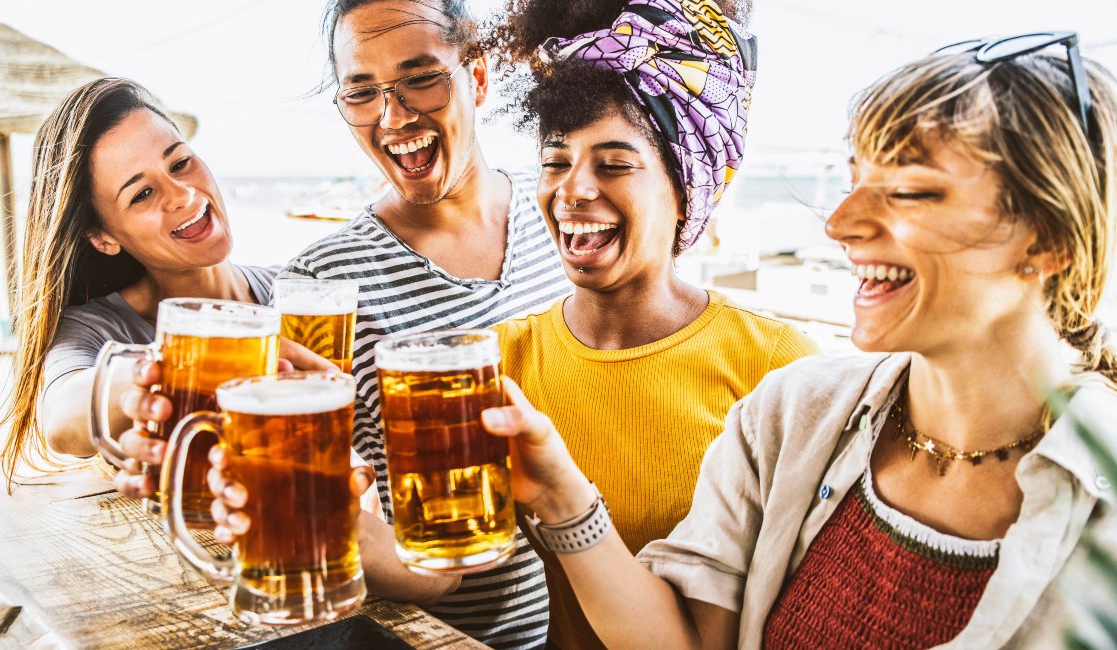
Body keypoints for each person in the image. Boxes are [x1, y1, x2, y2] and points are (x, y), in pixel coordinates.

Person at [478, 31, 1117, 648]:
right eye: (855, 179)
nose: (839, 224)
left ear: (1050, 241)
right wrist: (563, 496)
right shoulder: (788, 413)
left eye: (910, 191)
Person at [116, 2, 573, 647]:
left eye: (422, 78)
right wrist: (319, 520)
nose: (394, 118)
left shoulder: (564, 211)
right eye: (362, 93)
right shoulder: (323, 286)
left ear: (477, 75)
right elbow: (387, 552)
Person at [469, 1, 815, 647]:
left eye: (615, 164)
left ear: (687, 189)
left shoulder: (776, 365)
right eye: (554, 159)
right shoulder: (501, 360)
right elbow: (439, 567)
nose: (572, 189)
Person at [0, 78, 319, 486]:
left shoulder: (306, 296)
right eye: (143, 193)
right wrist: (189, 367)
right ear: (103, 237)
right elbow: (61, 420)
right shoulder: (97, 327)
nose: (182, 194)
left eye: (180, 163)